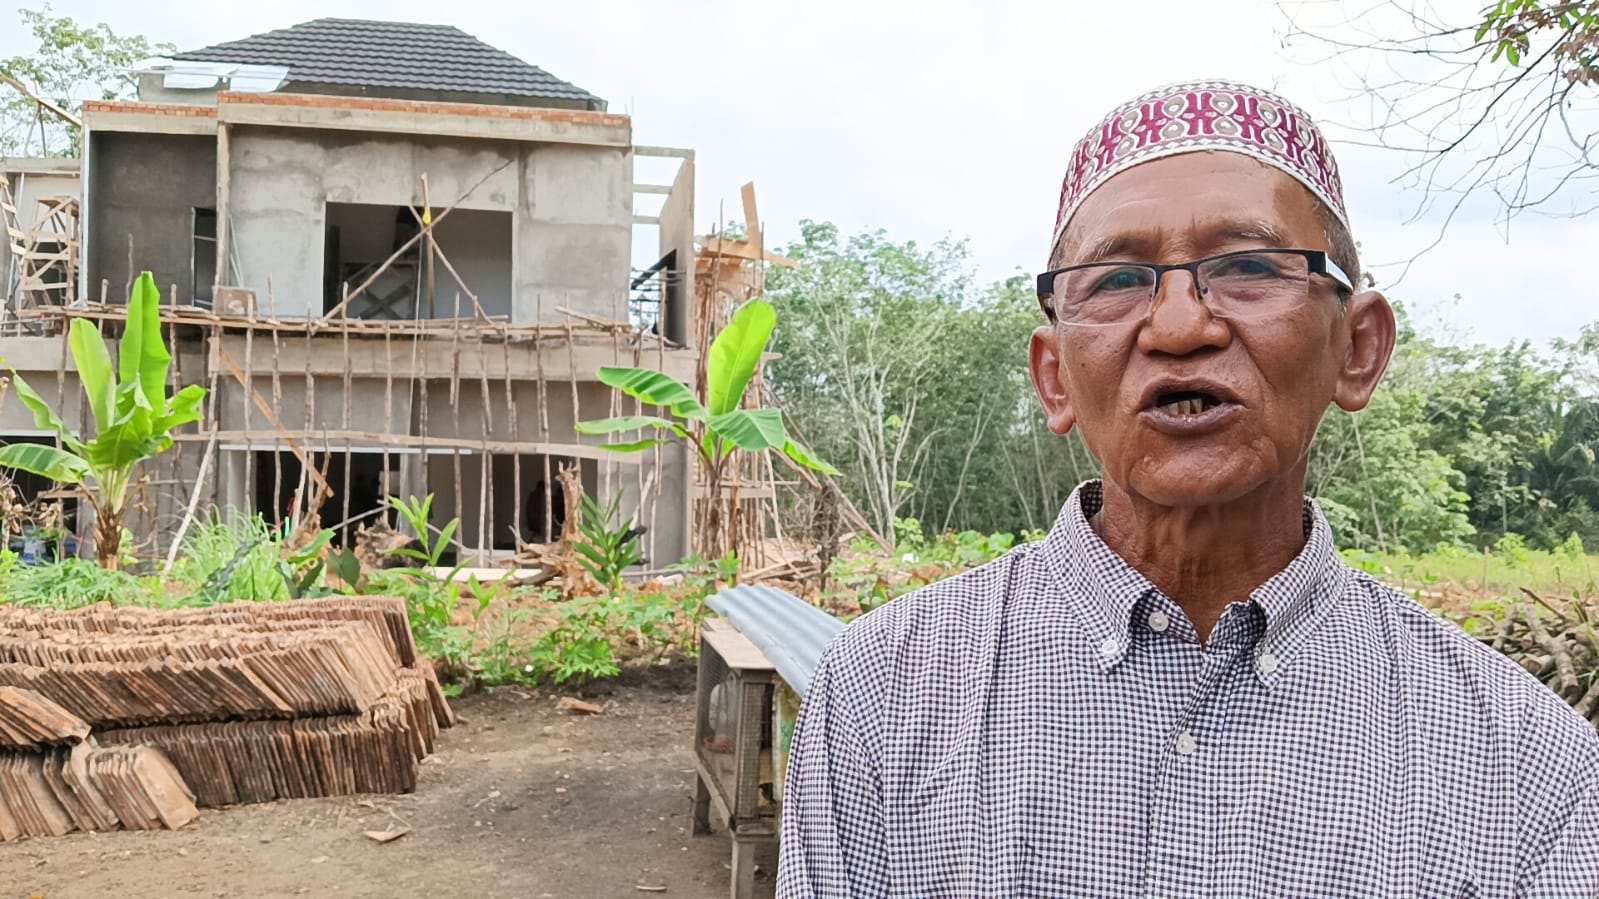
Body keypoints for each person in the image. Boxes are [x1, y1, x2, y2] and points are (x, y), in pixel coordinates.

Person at [776, 80, 1599, 897]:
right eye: (1116, 279)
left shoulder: (1525, 764)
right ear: (1053, 374)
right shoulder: (883, 692)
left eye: (1247, 266)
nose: (1178, 327)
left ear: (1356, 347)